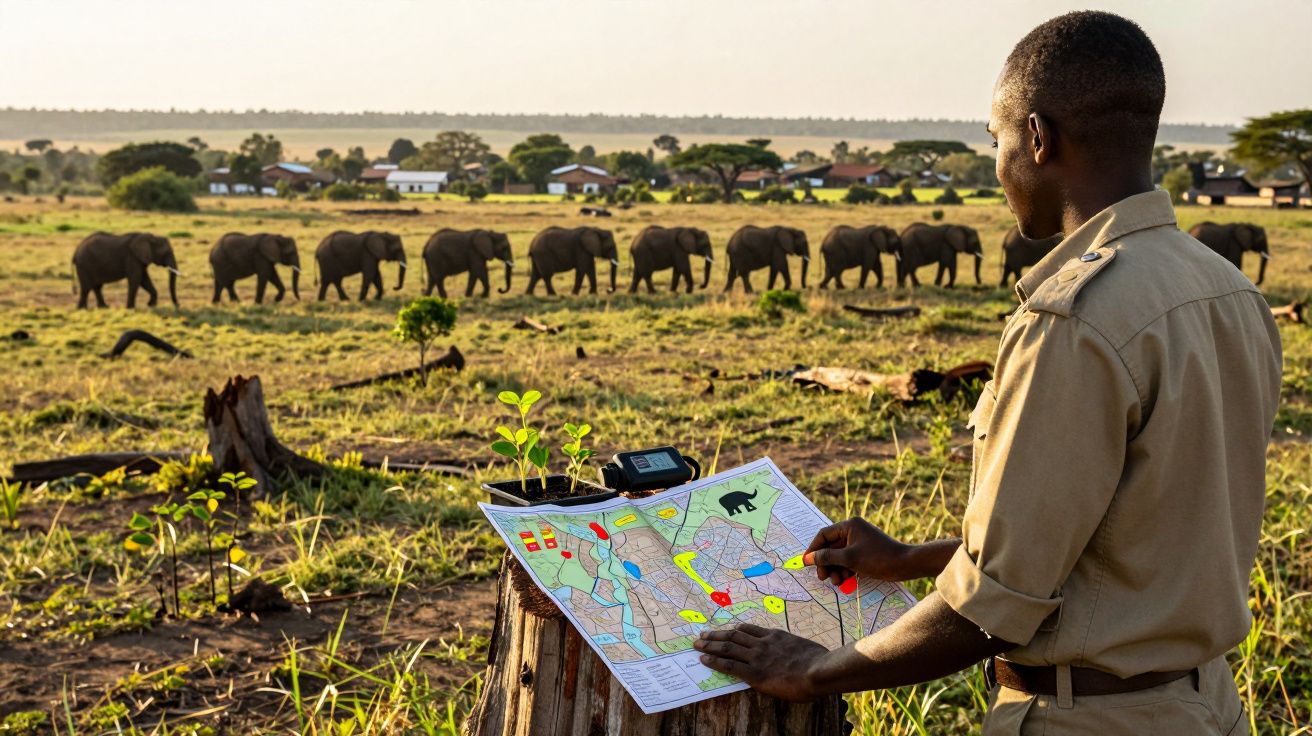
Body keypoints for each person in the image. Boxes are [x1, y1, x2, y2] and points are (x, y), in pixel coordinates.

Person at [693, 11, 1282, 734]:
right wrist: (913, 559)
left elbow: (994, 606)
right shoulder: (1228, 291)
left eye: (996, 140)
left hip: (1089, 719)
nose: (999, 164)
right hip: (1208, 708)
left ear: (1037, 138)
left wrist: (814, 670)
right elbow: (1122, 541)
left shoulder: (1073, 320)